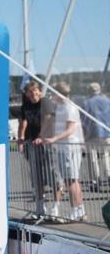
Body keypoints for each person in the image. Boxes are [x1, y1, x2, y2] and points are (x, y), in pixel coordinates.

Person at [36, 82, 85, 221]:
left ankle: (77, 210)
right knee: (71, 180)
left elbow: (70, 130)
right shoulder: (60, 108)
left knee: (71, 180)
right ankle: (80, 210)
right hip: (63, 148)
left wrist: (54, 138)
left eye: (53, 93)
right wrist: (43, 137)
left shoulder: (70, 108)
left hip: (70, 148)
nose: (51, 96)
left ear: (59, 93)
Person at [18, 80, 45, 220]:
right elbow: (23, 123)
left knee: (50, 175)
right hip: (31, 142)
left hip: (44, 142)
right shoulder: (25, 106)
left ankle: (56, 208)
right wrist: (20, 140)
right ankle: (40, 208)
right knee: (35, 175)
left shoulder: (45, 104)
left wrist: (41, 136)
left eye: (35, 91)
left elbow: (48, 122)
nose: (33, 94)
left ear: (40, 92)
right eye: (30, 92)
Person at [82, 82, 110, 185]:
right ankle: (108, 175)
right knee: (106, 156)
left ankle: (95, 180)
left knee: (92, 158)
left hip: (92, 133)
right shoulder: (108, 101)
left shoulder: (86, 103)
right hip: (107, 133)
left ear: (89, 90)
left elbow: (83, 120)